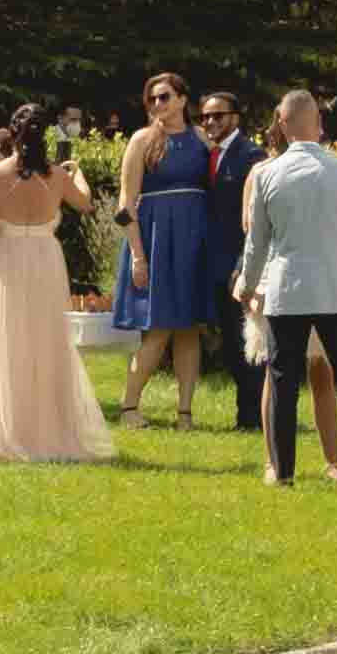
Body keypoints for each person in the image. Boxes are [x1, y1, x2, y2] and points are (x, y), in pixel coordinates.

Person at [234, 90, 337, 488]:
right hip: (336, 289)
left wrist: (246, 284)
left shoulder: (266, 174)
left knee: (283, 380)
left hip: (287, 289)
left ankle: (283, 474)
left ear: (282, 124)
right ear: (318, 122)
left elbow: (257, 243)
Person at [0, 103, 114, 462]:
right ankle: (51, 426)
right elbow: (85, 203)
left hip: (10, 260)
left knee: (10, 340)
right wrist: (77, 172)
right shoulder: (57, 177)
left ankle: (14, 429)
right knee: (48, 342)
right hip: (46, 260)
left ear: (13, 134)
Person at [111, 70, 215, 428]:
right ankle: (129, 408)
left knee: (189, 328)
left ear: (183, 100)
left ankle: (185, 413)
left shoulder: (202, 139)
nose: (157, 104)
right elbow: (126, 202)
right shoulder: (141, 140)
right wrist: (138, 255)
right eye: (152, 98)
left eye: (165, 96)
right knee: (157, 330)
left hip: (194, 243)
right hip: (155, 241)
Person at [198, 90, 270, 431]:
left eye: (218, 116)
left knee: (247, 341)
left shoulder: (251, 157)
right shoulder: (208, 155)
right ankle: (248, 415)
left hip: (240, 267)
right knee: (229, 343)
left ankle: (253, 417)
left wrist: (243, 267)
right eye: (206, 117)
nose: (211, 122)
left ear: (235, 118)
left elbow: (255, 221)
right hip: (212, 264)